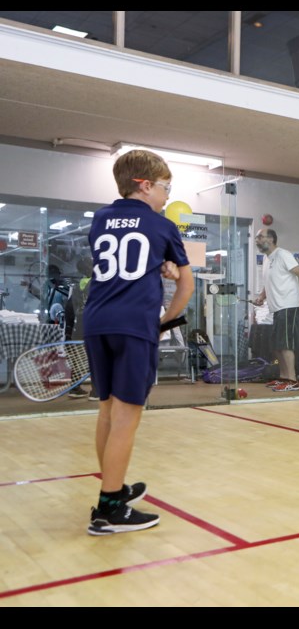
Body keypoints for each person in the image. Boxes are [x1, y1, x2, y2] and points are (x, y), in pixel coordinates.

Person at [83, 149, 194, 535]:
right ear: (143, 185)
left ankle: (113, 487)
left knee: (107, 411)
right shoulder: (163, 226)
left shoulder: (98, 219)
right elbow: (186, 284)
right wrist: (162, 320)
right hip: (134, 325)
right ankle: (109, 508)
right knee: (127, 418)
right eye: (165, 187)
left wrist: (154, 265)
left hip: (97, 322)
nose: (167, 195)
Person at [253, 228, 299, 392]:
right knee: (276, 346)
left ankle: (292, 380)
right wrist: (262, 296)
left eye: (260, 237)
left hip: (289, 305)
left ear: (270, 239)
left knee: (286, 345)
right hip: (276, 308)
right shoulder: (266, 258)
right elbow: (268, 281)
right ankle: (283, 377)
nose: (257, 240)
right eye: (256, 237)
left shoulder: (283, 254)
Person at [64, 256, 98, 400]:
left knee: (77, 360)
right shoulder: (98, 284)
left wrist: (69, 329)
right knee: (96, 359)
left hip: (78, 327)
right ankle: (96, 391)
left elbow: (68, 310)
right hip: (94, 327)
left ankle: (75, 388)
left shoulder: (77, 286)